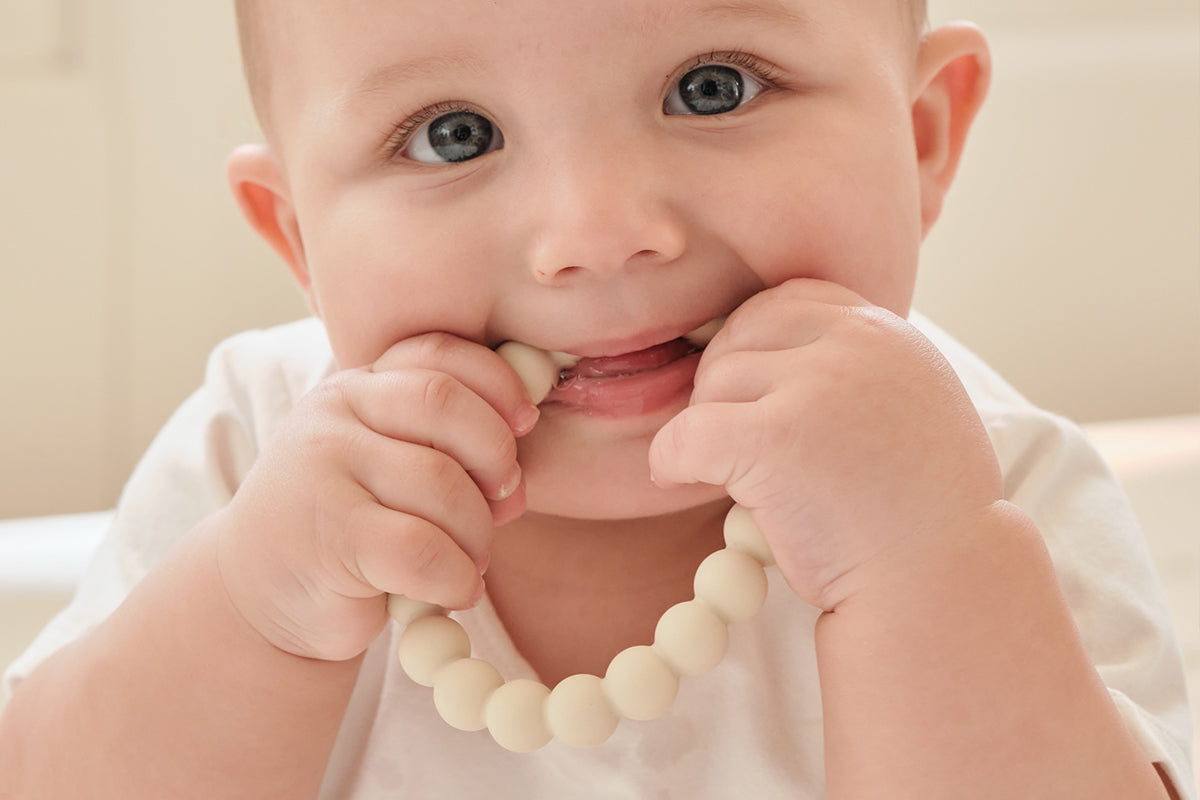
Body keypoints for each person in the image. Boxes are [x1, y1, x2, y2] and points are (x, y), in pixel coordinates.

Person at [1, 0, 1193, 796]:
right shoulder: (254, 453)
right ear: (300, 238)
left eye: (714, 87)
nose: (599, 235)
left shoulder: (987, 479)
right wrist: (253, 610)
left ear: (924, 139)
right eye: (453, 134)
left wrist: (930, 566)